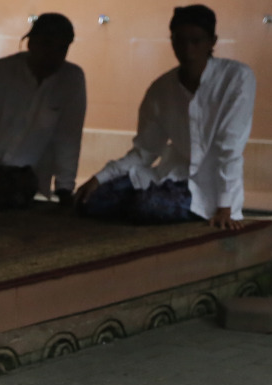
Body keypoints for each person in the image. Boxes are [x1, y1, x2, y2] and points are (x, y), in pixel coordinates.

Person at [75, 5, 253, 228]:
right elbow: (144, 151)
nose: (187, 50)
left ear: (212, 42)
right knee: (91, 200)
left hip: (209, 190)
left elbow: (230, 146)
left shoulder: (236, 78)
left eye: (196, 41)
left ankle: (145, 206)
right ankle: (139, 203)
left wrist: (225, 206)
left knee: (150, 206)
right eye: (180, 41)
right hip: (169, 177)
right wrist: (99, 178)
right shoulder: (161, 89)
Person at [0, 13, 86, 202]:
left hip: (25, 179)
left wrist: (64, 188)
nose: (53, 55)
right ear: (30, 43)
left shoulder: (71, 80)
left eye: (61, 48)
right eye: (47, 44)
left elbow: (69, 136)